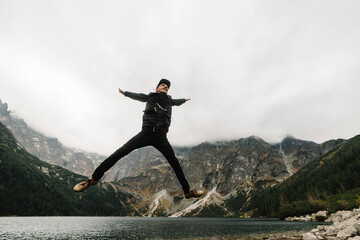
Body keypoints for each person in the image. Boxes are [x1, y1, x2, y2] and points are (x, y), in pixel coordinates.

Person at [74, 79, 204, 199]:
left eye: (167, 86)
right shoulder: (150, 97)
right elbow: (138, 96)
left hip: (161, 137)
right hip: (146, 133)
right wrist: (126, 93)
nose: (165, 86)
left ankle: (187, 192)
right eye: (163, 85)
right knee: (119, 153)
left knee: (175, 164)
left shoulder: (170, 101)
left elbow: (177, 102)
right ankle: (92, 180)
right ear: (157, 88)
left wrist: (184, 100)